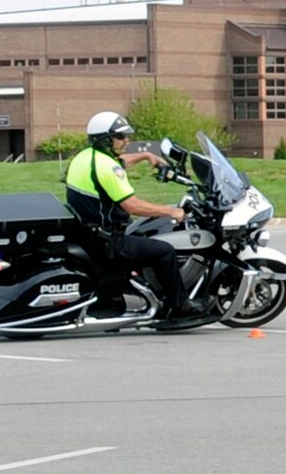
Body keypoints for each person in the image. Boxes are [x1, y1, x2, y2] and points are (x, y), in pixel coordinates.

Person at [64, 111, 204, 319]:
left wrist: (146, 156)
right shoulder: (108, 167)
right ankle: (178, 306)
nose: (126, 140)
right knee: (164, 251)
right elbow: (132, 205)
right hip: (108, 242)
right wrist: (170, 211)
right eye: (120, 137)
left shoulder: (86, 157)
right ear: (105, 140)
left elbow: (119, 161)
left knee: (144, 237)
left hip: (88, 234)